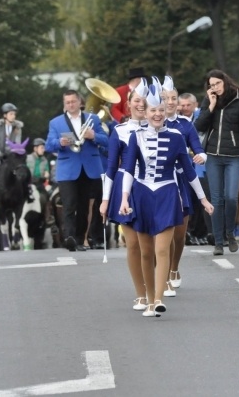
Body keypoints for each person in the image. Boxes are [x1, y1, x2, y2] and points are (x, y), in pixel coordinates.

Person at [119, 84, 213, 317]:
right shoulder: (135, 137)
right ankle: (149, 298)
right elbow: (128, 169)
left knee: (162, 250)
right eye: (153, 110)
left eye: (161, 110)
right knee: (146, 253)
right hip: (142, 195)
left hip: (168, 194)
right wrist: (124, 198)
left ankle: (158, 299)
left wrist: (203, 199)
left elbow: (189, 171)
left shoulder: (177, 137)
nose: (158, 114)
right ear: (146, 112)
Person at [100, 79, 150, 311]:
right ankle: (141, 293)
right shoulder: (119, 131)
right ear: (128, 104)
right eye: (136, 101)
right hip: (125, 188)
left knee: (151, 246)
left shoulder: (158, 129)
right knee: (133, 244)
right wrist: (105, 200)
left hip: (152, 187)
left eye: (144, 101)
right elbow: (111, 168)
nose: (140, 105)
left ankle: (154, 283)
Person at [194, 69, 239, 256]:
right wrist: (211, 106)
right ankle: (218, 241)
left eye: (217, 83)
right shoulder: (209, 101)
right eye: (211, 85)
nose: (215, 88)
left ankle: (230, 232)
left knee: (231, 197)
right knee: (217, 199)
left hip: (234, 156)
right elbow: (198, 126)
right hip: (213, 156)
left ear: (225, 82)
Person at [45, 90, 109, 252]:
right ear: (64, 104)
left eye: (73, 101)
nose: (70, 105)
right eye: (67, 102)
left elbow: (107, 140)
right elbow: (49, 145)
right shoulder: (55, 122)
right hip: (67, 169)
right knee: (69, 205)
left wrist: (93, 135)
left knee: (83, 207)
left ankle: (80, 239)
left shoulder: (93, 119)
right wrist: (60, 142)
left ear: (80, 102)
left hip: (89, 168)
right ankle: (69, 237)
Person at [161, 78, 206, 297]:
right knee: (164, 233)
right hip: (160, 181)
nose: (170, 102)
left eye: (173, 98)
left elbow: (197, 146)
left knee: (179, 235)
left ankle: (174, 267)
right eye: (165, 98)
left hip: (181, 181)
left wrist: (202, 155)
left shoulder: (185, 124)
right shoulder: (153, 122)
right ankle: (163, 275)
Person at [179, 93, 210, 246]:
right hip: (182, 166)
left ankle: (201, 232)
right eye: (183, 105)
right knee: (189, 200)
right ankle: (189, 231)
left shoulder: (201, 117)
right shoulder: (175, 120)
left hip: (201, 164)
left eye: (188, 105)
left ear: (195, 105)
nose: (185, 108)